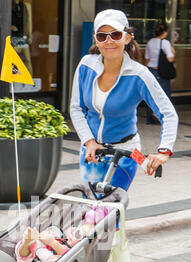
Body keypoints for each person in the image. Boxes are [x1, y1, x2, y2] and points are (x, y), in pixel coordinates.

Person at [70, 9, 178, 191]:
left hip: (127, 152)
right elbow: (76, 108)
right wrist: (88, 141)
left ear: (127, 38)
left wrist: (164, 151)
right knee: (89, 206)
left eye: (115, 34)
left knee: (109, 208)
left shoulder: (139, 74)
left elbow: (168, 114)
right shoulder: (86, 65)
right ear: (96, 40)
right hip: (92, 151)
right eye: (102, 36)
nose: (109, 41)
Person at [15, 205, 109, 262]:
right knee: (31, 246)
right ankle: (28, 242)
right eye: (75, 230)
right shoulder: (63, 239)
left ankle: (34, 247)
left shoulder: (76, 254)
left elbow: (64, 252)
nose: (73, 233)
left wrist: (52, 242)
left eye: (78, 234)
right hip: (32, 258)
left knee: (57, 260)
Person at [145, 23, 175, 124]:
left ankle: (150, 119)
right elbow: (170, 59)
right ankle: (161, 117)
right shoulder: (165, 43)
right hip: (161, 72)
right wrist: (173, 52)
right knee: (164, 95)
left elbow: (147, 59)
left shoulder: (150, 42)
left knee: (151, 95)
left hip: (151, 70)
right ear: (165, 32)